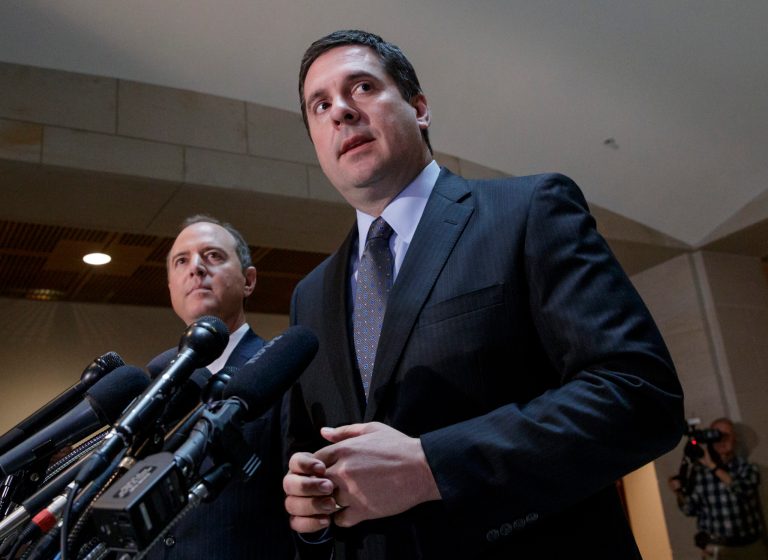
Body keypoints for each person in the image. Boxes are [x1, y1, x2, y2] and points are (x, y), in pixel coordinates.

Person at [281, 29, 686, 559]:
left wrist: (432, 465)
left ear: (419, 108)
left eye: (362, 87)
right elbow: (309, 453)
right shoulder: (309, 296)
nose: (340, 111)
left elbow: (639, 396)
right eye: (320, 105)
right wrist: (311, 509)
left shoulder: (530, 210)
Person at [145, 215, 294, 559]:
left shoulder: (280, 371)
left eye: (213, 256)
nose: (196, 268)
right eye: (181, 261)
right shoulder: (155, 382)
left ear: (248, 280)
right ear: (170, 287)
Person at [669, 418, 768, 559]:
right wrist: (678, 491)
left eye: (726, 435)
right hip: (716, 549)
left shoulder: (746, 468)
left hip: (750, 547)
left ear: (735, 438)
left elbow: (743, 490)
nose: (721, 440)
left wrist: (712, 466)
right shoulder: (699, 472)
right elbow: (689, 509)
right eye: (716, 436)